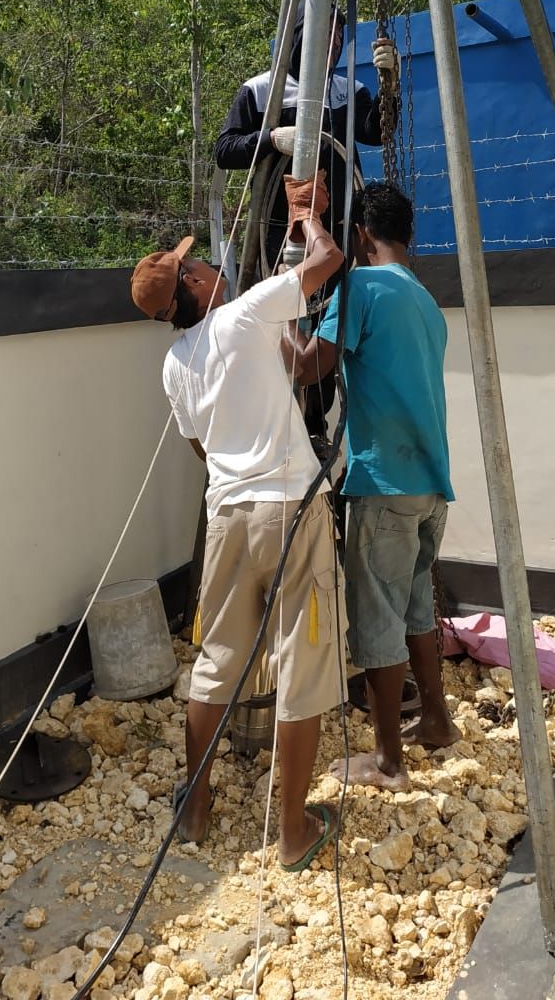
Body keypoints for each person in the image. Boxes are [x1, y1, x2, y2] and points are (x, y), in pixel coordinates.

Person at [130, 170, 346, 870]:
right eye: (198, 264)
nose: (210, 265)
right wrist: (308, 216)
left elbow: (200, 446)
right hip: (289, 508)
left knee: (217, 659)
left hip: (225, 514)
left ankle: (193, 807)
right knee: (302, 662)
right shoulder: (249, 313)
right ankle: (292, 832)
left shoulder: (173, 363)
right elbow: (328, 262)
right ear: (192, 286)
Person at [284, 181, 459, 792]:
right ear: (408, 234)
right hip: (430, 482)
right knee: (414, 605)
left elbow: (309, 367)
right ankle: (435, 719)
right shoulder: (426, 302)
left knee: (378, 615)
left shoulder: (360, 288)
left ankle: (387, 760)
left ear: (360, 236)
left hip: (382, 481)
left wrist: (276, 314)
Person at [215, 1, 398, 439]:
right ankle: (279, 430)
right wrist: (271, 138)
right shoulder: (263, 92)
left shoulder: (346, 91)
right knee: (276, 332)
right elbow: (224, 149)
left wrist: (389, 86)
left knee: (323, 338)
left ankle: (315, 431)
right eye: (324, 33)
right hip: (278, 240)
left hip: (333, 239)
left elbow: (378, 132)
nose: (333, 43)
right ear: (298, 35)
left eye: (339, 35)